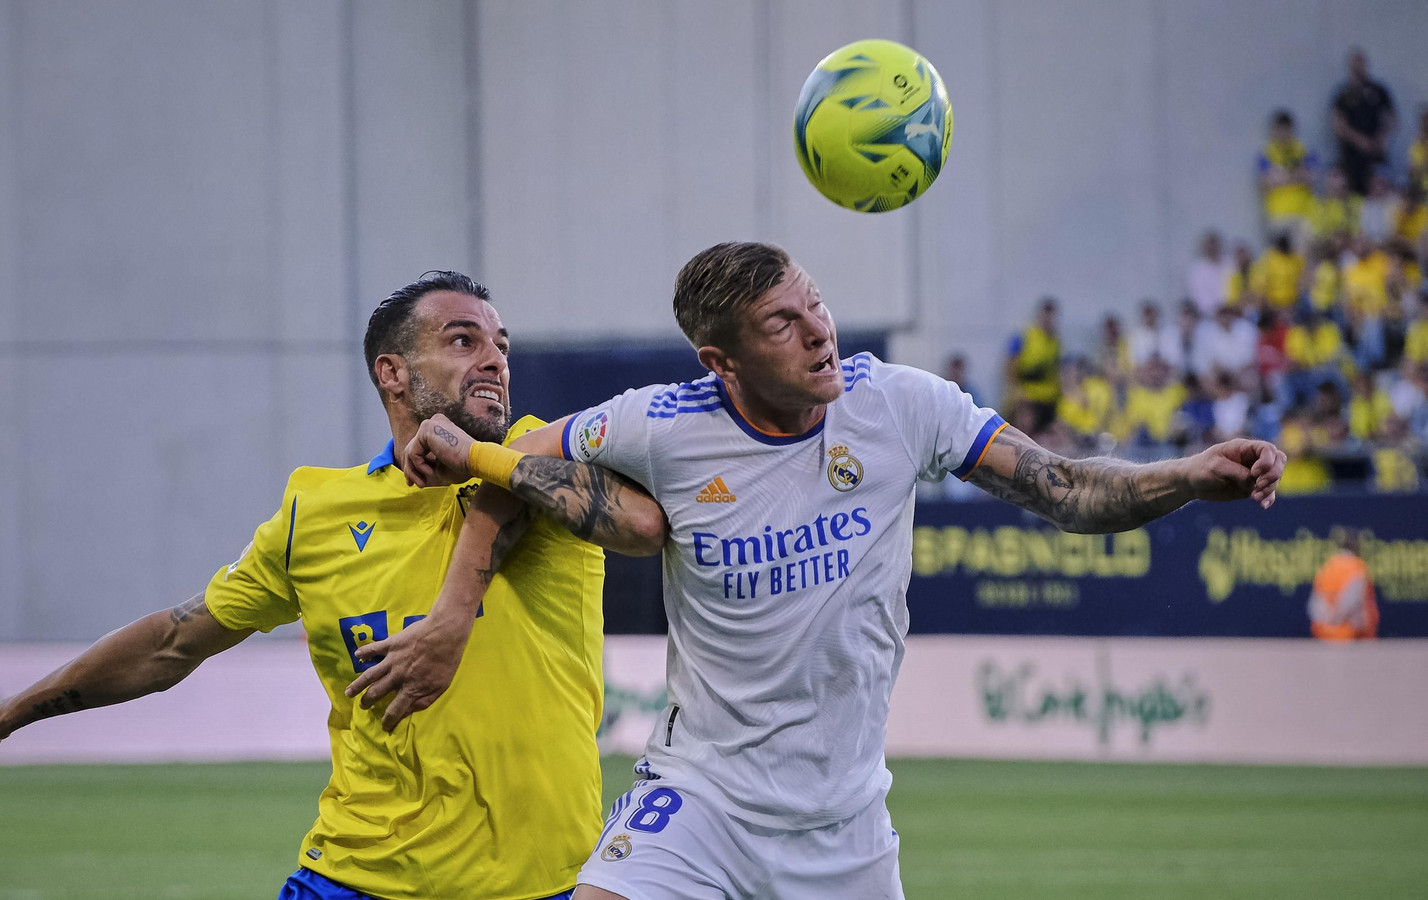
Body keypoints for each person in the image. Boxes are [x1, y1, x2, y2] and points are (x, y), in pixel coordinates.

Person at [368, 241, 1286, 900]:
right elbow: (517, 470)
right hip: (702, 802)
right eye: (784, 323)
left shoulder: (900, 404)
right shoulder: (658, 423)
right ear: (721, 361)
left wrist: (1189, 477)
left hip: (846, 830)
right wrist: (456, 605)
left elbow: (1067, 488)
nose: (820, 334)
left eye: (817, 307)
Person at [0, 272, 671, 900]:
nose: (493, 361)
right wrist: (7, 716)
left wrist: (477, 457)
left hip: (536, 884)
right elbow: (172, 642)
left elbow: (639, 524)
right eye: (462, 340)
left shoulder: (536, 460)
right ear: (392, 371)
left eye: (500, 345)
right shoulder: (315, 512)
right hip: (352, 875)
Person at [1331, 49, 1396, 197]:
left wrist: (1381, 138)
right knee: (1355, 196)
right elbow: (1338, 124)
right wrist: (1359, 140)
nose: (1358, 68)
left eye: (1360, 64)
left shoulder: (1379, 91)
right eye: (1354, 64)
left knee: (1381, 195)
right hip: (1353, 157)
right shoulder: (1343, 94)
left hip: (1376, 155)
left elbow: (1391, 118)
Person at [1307, 530, 1379, 641]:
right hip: (1351, 633)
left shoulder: (1327, 567)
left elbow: (1315, 603)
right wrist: (1337, 619)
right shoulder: (1356, 567)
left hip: (1325, 632)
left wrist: (1328, 621)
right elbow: (1352, 600)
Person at [1004, 296, 1062, 436]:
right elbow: (1010, 365)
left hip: (1049, 397)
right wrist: (1015, 390)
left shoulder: (1055, 340)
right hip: (1028, 394)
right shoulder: (1025, 335)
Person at [1258, 110, 1317, 240]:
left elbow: (1311, 178)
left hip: (1304, 214)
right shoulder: (1266, 153)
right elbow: (1265, 183)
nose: (1283, 134)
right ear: (1274, 130)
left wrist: (1281, 176)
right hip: (1278, 216)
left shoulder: (1305, 150)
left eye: (1286, 130)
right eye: (1280, 130)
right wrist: (1297, 175)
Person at [1186, 231, 1232, 315]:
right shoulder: (1197, 269)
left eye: (1214, 244)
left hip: (1233, 312)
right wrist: (1216, 310)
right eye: (1209, 245)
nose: (1212, 248)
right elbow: (1199, 297)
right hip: (1209, 316)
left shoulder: (1230, 263)